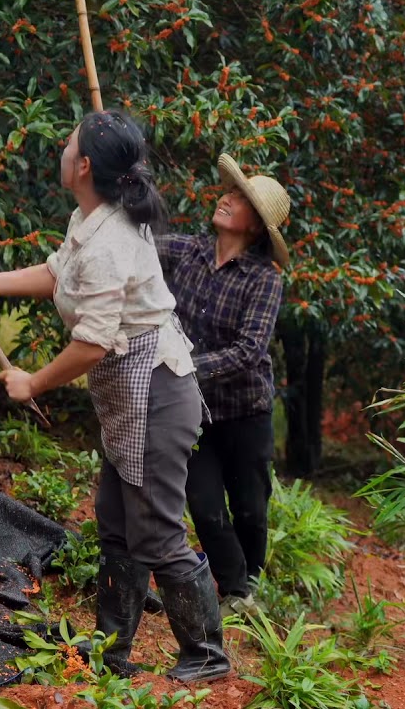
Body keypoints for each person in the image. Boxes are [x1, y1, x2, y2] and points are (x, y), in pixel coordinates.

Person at [0, 111, 231, 683]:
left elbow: (92, 343)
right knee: (116, 524)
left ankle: (207, 655)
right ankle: (112, 650)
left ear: (85, 166)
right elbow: (58, 274)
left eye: (69, 143)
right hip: (130, 398)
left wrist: (33, 382)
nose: (62, 149)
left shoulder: (111, 241)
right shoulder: (91, 220)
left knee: (156, 530)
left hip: (156, 394)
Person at [154, 154, 289, 617]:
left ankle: (251, 581)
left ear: (256, 227)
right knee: (204, 503)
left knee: (250, 507)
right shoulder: (188, 251)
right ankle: (236, 590)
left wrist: (183, 365)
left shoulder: (264, 280)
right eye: (230, 191)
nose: (227, 198)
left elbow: (249, 350)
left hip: (245, 411)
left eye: (240, 198)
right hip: (194, 408)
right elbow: (138, 245)